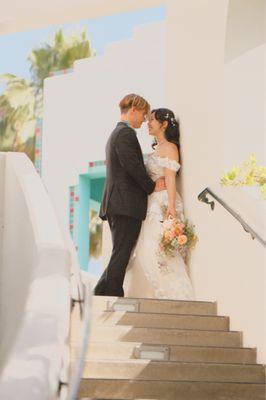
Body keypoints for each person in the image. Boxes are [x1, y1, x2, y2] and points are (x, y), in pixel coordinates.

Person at [94, 94, 166, 297]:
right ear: (133, 109)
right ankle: (114, 294)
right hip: (124, 204)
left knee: (121, 250)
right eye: (143, 114)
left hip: (119, 203)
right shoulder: (125, 134)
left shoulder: (117, 133)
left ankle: (100, 292)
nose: (144, 120)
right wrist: (151, 186)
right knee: (123, 251)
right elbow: (132, 166)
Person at [124, 108, 194, 300]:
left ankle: (177, 294)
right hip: (151, 203)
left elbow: (170, 179)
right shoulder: (157, 149)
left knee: (159, 248)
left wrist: (171, 207)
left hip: (162, 203)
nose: (148, 123)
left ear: (164, 124)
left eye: (152, 120)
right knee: (147, 249)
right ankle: (161, 292)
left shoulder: (170, 148)